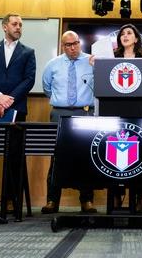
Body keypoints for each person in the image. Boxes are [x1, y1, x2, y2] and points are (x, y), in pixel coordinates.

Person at [0, 13, 36, 215]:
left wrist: (9, 99)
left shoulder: (28, 52)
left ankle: (11, 199)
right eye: (15, 24)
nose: (18, 27)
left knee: (14, 156)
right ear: (4, 27)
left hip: (16, 109)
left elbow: (29, 79)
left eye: (21, 24)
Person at [41, 30, 96, 214]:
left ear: (80, 43)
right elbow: (47, 88)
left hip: (85, 113)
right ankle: (52, 200)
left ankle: (86, 200)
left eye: (75, 43)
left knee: (87, 156)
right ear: (62, 46)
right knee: (56, 156)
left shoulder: (92, 61)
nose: (73, 48)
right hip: (60, 113)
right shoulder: (53, 65)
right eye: (68, 45)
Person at [111, 24, 142, 212]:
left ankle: (139, 197)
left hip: (139, 110)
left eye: (129, 33)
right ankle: (117, 196)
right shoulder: (112, 58)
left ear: (136, 39)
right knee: (115, 155)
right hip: (116, 110)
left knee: (139, 154)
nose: (125, 36)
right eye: (122, 34)